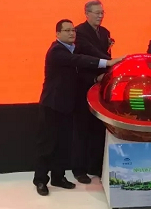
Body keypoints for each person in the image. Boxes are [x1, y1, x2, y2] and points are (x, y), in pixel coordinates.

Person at [33, 19, 124, 196]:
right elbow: (79, 61)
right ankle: (40, 180)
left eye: (73, 30)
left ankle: (58, 177)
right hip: (52, 105)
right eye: (67, 30)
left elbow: (79, 73)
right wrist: (107, 62)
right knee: (47, 144)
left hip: (68, 105)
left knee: (63, 143)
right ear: (57, 34)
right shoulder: (57, 51)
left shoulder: (73, 49)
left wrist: (95, 79)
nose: (71, 33)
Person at [72, 0, 113, 184]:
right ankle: (79, 169)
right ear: (86, 13)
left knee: (98, 128)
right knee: (81, 129)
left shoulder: (105, 32)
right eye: (97, 12)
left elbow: (106, 55)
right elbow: (89, 54)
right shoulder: (79, 32)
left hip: (101, 86)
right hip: (83, 85)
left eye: (102, 12)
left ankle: (95, 166)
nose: (100, 16)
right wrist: (111, 62)